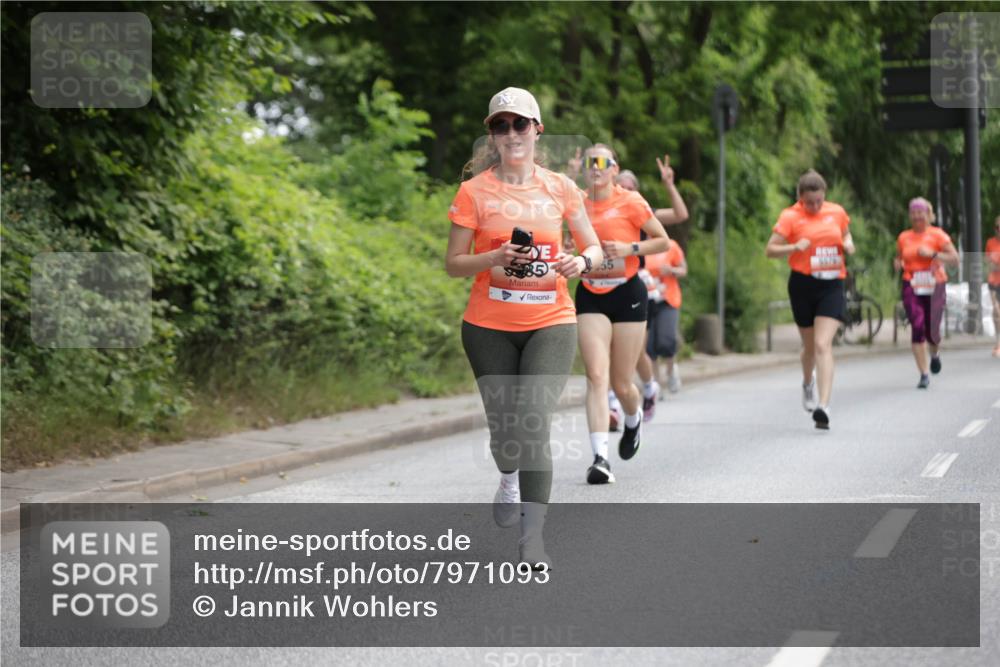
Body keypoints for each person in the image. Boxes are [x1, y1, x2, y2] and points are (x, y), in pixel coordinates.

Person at [445, 87, 603, 566]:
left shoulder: (561, 188)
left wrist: (582, 262)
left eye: (519, 124)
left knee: (533, 421)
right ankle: (508, 476)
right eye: (500, 125)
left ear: (536, 129)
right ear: (492, 135)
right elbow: (453, 264)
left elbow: (594, 248)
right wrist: (493, 256)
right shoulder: (474, 192)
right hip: (487, 326)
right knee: (504, 436)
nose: (510, 133)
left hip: (551, 322)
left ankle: (532, 538)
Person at [575, 144, 670, 484]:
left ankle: (633, 419)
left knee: (621, 382)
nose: (595, 168)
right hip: (590, 294)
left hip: (628, 292)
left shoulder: (630, 201)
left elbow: (663, 241)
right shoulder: (575, 204)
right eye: (590, 162)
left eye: (602, 162)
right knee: (596, 376)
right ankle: (600, 458)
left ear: (615, 168)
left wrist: (630, 248)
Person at [765, 170, 855, 430]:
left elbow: (846, 234)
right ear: (800, 198)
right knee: (809, 347)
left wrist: (849, 244)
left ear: (824, 196)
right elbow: (770, 250)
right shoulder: (790, 217)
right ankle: (808, 382)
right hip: (803, 285)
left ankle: (823, 406)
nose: (815, 207)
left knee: (822, 344)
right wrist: (793, 247)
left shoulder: (836, 212)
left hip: (832, 285)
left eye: (818, 201)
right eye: (809, 202)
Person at [604, 156, 690, 423]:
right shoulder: (598, 207)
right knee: (606, 345)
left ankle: (649, 386)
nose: (625, 191)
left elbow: (680, 215)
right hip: (603, 282)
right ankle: (612, 405)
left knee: (635, 351)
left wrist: (669, 185)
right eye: (621, 186)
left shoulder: (640, 209)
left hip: (635, 281)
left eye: (631, 188)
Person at [893, 197, 958, 388]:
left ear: (928, 215)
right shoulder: (904, 237)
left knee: (933, 329)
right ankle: (923, 374)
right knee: (918, 325)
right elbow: (899, 257)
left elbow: (954, 259)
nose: (917, 216)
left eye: (920, 212)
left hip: (935, 284)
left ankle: (935, 354)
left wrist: (933, 254)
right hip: (911, 284)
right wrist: (897, 264)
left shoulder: (938, 235)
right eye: (913, 213)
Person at [639, 238, 688, 412]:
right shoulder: (639, 246)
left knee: (666, 340)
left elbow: (684, 269)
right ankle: (656, 385)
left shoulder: (671, 245)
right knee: (649, 346)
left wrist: (672, 270)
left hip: (667, 299)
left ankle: (671, 370)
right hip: (646, 300)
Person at [985, 215, 1000, 357]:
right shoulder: (990, 243)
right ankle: (998, 342)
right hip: (993, 281)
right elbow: (987, 262)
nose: (999, 230)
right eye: (997, 228)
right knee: (996, 311)